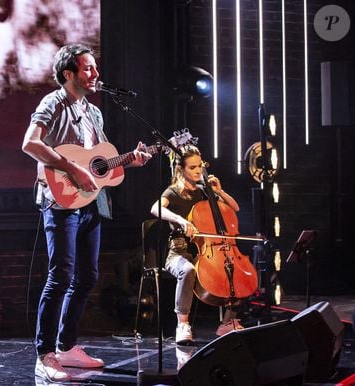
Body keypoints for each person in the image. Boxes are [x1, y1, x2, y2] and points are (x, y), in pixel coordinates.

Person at [22, 44, 152, 382]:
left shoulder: (94, 112)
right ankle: (45, 353)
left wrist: (131, 160)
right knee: (60, 276)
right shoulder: (53, 103)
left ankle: (67, 347)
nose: (95, 74)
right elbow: (30, 144)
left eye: (95, 68)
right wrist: (71, 168)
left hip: (91, 203)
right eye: (88, 68)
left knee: (87, 277)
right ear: (69, 74)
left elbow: (101, 164)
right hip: (60, 201)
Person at [149, 145, 244, 345]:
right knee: (188, 270)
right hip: (179, 253)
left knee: (234, 272)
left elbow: (234, 208)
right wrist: (181, 220)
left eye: (200, 166)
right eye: (192, 167)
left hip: (207, 252)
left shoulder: (204, 192)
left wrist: (220, 191)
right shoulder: (173, 192)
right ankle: (182, 323)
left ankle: (226, 323)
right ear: (180, 169)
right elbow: (155, 208)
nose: (198, 171)